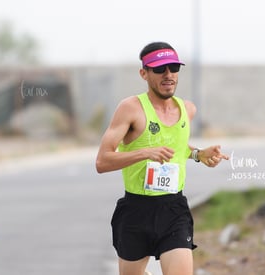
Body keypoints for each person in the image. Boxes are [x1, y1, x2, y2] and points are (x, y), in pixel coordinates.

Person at [95, 41, 229, 275]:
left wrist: (198, 154)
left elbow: (176, 146)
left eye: (174, 68)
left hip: (173, 209)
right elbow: (102, 161)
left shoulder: (187, 109)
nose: (169, 75)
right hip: (136, 210)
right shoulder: (130, 108)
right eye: (160, 69)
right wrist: (145, 153)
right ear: (144, 73)